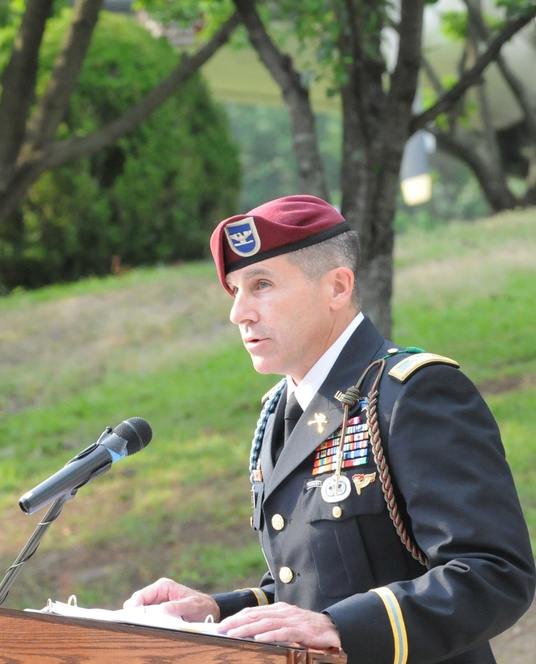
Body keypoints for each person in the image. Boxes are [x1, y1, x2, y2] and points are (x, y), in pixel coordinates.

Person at [124, 195, 535, 663]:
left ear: (337, 287)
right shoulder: (279, 411)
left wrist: (343, 627)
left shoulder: (414, 394)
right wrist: (217, 612)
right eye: (235, 290)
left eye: (262, 284)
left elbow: (495, 573)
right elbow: (309, 584)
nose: (240, 313)